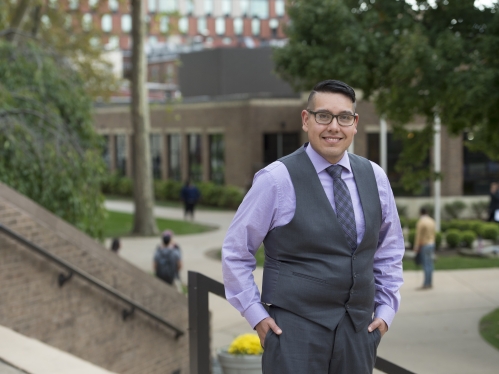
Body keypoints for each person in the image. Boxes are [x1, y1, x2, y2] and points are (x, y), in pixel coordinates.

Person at [222, 80, 404, 373]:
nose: (334, 126)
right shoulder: (276, 180)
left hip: (358, 334)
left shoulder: (375, 177)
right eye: (324, 116)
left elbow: (389, 250)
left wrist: (385, 312)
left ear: (355, 124)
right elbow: (236, 251)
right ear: (306, 120)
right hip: (294, 333)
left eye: (344, 117)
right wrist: (256, 315)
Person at [413, 207, 436, 290]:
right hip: (431, 243)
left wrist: (416, 247)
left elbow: (418, 236)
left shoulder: (421, 222)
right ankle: (429, 282)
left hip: (424, 244)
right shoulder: (431, 221)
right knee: (430, 264)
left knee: (426, 264)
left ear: (420, 213)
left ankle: (426, 284)